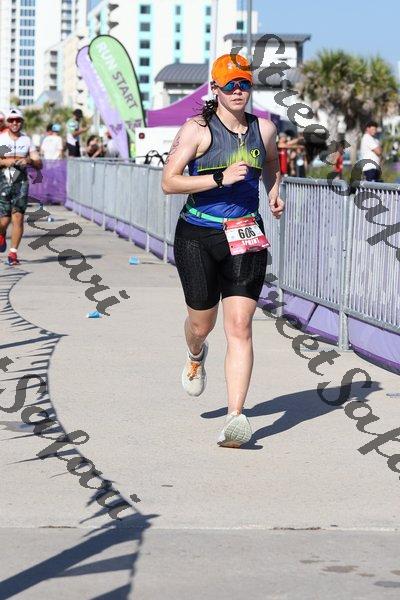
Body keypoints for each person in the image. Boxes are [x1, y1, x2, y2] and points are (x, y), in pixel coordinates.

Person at [162, 54, 284, 448]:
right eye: (229, 85)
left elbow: (270, 162)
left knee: (241, 326)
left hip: (245, 234)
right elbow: (169, 182)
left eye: (244, 84)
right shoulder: (197, 130)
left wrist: (273, 191)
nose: (237, 91)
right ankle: (196, 353)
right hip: (197, 235)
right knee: (202, 324)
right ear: (214, 88)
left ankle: (235, 417)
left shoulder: (264, 129)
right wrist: (218, 178)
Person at [0, 108, 42, 265]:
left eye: (18, 120)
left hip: (21, 182)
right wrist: (6, 162)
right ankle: (1, 234)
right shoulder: (1, 139)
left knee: (18, 217)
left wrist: (29, 160)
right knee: (4, 220)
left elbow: (39, 163)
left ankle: (13, 254)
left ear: (22, 122)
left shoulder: (27, 140)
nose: (15, 123)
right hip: (3, 181)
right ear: (8, 123)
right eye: (12, 120)